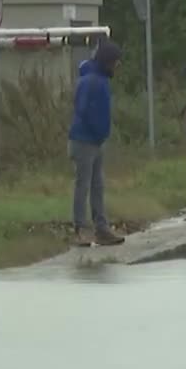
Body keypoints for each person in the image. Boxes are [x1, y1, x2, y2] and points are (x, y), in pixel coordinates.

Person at [68, 41, 124, 246]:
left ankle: (101, 228)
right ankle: (80, 228)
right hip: (84, 139)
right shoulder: (91, 81)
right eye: (116, 62)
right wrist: (98, 130)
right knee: (82, 185)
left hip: (96, 140)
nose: (118, 66)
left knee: (97, 185)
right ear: (107, 61)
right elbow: (84, 110)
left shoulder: (101, 80)